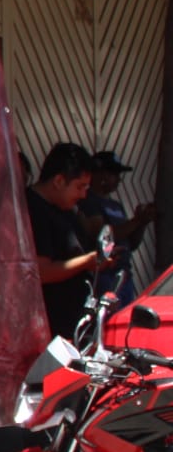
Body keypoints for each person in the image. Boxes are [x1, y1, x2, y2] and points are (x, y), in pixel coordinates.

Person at [25, 142, 111, 341]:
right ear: (59, 181)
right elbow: (42, 272)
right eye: (79, 187)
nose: (83, 195)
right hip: (51, 331)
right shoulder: (33, 210)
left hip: (74, 327)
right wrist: (88, 261)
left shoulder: (66, 210)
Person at [79, 150, 156, 305]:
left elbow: (131, 243)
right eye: (114, 174)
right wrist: (136, 221)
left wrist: (142, 223)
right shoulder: (88, 201)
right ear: (100, 175)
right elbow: (102, 236)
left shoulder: (116, 206)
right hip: (104, 275)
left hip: (124, 274)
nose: (118, 180)